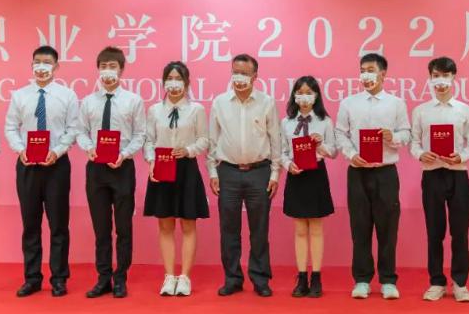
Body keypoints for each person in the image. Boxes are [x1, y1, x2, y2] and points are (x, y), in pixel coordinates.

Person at [5, 45, 80, 298]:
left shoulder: (67, 96)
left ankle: (59, 278)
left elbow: (73, 129)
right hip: (27, 165)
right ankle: (32, 278)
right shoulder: (20, 96)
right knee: (30, 224)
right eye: (37, 61)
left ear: (56, 66)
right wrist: (20, 150)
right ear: (31, 65)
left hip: (56, 165)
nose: (41, 66)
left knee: (58, 224)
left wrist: (56, 151)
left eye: (47, 62)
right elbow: (10, 127)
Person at [335, 53, 410, 300]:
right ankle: (362, 279)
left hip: (386, 172)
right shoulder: (349, 103)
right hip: (358, 171)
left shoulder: (396, 103)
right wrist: (351, 154)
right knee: (360, 227)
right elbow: (340, 134)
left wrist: (393, 137)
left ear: (383, 74)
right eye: (362, 70)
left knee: (388, 228)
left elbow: (406, 134)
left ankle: (388, 280)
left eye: (370, 70)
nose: (365, 75)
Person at [208, 53, 282, 297]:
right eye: (235, 72)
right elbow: (212, 140)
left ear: (255, 76)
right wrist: (212, 171)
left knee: (259, 229)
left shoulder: (267, 102)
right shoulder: (220, 102)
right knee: (229, 229)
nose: (239, 78)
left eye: (244, 74)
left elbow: (275, 139)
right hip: (227, 172)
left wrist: (275, 174)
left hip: (259, 172)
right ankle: (232, 278)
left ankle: (260, 279)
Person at [77, 46, 146, 299]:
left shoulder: (133, 101)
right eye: (103, 66)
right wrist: (89, 148)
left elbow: (140, 134)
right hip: (96, 168)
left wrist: (124, 154)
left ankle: (121, 278)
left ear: (121, 70)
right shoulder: (88, 101)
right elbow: (81, 131)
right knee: (101, 228)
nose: (108, 71)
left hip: (122, 168)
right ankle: (103, 277)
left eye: (112, 66)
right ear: (98, 69)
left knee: (124, 227)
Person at [410, 56, 469, 303]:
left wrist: (461, 156)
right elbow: (414, 143)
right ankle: (436, 282)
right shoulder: (420, 111)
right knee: (434, 231)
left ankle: (460, 283)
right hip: (432, 174)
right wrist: (421, 154)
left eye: (445, 76)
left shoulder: (466, 111)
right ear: (430, 79)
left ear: (453, 78)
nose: (441, 81)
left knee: (460, 232)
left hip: (458, 174)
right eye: (436, 76)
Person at [143, 61, 210, 296]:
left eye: (178, 79)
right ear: (163, 83)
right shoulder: (154, 110)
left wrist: (189, 150)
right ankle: (169, 276)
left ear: (187, 83)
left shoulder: (196, 110)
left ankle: (185, 278)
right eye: (169, 79)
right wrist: (151, 160)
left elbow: (204, 139)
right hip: (162, 168)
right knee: (165, 224)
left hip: (186, 169)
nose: (173, 83)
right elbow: (149, 140)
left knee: (188, 223)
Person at [280, 75, 336, 298]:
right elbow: (282, 152)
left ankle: (317, 277)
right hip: (296, 175)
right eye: (300, 92)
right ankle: (302, 277)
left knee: (316, 228)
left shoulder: (324, 121)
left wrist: (320, 145)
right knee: (300, 230)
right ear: (294, 95)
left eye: (308, 93)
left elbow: (333, 152)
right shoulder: (286, 122)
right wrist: (288, 165)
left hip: (316, 175)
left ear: (316, 96)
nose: (304, 97)